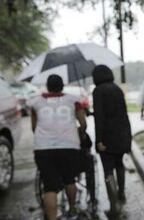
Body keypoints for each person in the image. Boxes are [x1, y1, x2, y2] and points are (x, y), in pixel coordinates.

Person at [29, 74, 86, 220]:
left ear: (48, 86)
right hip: (69, 146)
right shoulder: (74, 100)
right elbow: (83, 124)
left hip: (43, 148)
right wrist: (80, 133)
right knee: (69, 179)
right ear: (62, 86)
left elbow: (34, 127)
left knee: (49, 186)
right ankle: (72, 208)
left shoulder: (35, 102)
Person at [92, 65, 132, 217]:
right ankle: (121, 193)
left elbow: (100, 118)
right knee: (119, 164)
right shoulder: (116, 89)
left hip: (107, 138)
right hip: (121, 135)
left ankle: (114, 206)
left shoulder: (98, 91)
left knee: (108, 169)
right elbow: (122, 113)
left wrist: (99, 140)